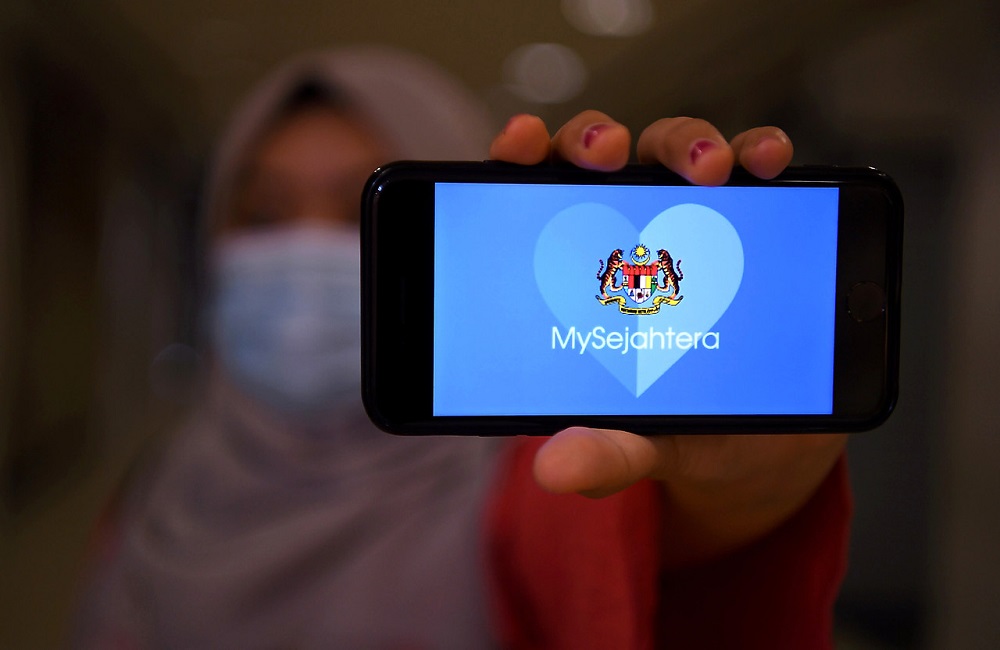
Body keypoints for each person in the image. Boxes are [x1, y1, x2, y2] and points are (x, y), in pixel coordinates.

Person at [72, 46, 850, 649]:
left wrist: (737, 501)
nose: (305, 248)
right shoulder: (157, 490)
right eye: (266, 213)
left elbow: (643, 569)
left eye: (358, 213)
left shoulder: (533, 490)